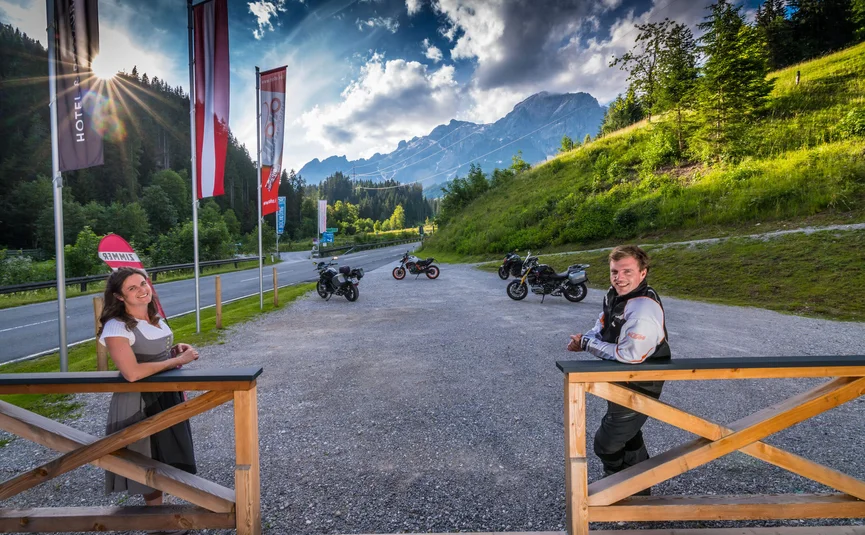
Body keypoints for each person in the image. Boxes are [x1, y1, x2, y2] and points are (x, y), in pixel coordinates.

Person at [97, 266, 199, 529]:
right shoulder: (116, 326)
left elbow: (158, 354)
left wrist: (175, 351)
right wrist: (177, 360)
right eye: (132, 288)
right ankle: (158, 524)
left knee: (166, 456)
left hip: (166, 396)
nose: (143, 290)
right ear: (119, 297)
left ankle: (163, 520)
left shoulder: (154, 318)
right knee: (147, 460)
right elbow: (131, 373)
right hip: (139, 400)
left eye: (143, 283)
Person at [566, 245, 670, 492]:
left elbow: (630, 355)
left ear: (643, 273)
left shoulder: (643, 308)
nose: (619, 278)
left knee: (607, 443)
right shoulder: (614, 294)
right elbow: (600, 326)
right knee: (629, 436)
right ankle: (640, 489)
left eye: (627, 271)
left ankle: (618, 490)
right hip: (621, 378)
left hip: (641, 381)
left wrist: (587, 344)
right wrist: (586, 339)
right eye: (615, 271)